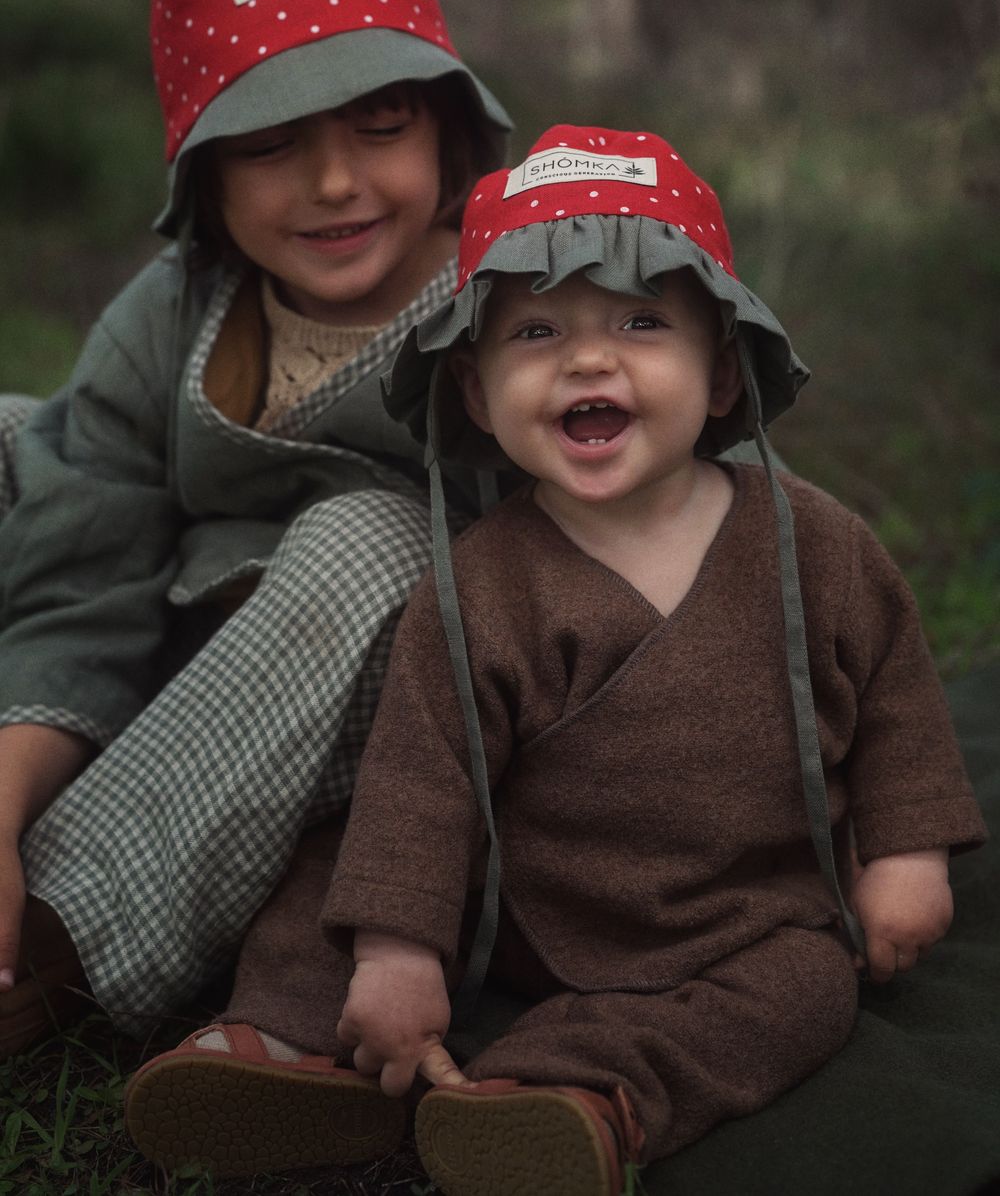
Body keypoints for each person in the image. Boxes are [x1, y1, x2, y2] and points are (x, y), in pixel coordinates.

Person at [123, 124, 986, 1192]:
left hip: (738, 913)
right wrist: (399, 950)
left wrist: (906, 851)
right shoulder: (482, 580)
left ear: (721, 374)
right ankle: (288, 1046)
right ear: (478, 396)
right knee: (336, 865)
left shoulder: (818, 546)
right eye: (534, 331)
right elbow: (423, 781)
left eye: (640, 321)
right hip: (514, 903)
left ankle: (575, 1094)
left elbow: (898, 703)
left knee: (809, 986)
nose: (588, 358)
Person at [0, 0, 513, 1060]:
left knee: (369, 539)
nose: (333, 183)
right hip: (161, 657)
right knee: (13, 431)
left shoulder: (513, 310)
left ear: (445, 133)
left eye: (379, 123)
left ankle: (65, 932)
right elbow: (83, 561)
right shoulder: (180, 307)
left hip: (384, 737)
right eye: (273, 143)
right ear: (209, 182)